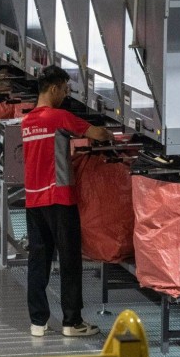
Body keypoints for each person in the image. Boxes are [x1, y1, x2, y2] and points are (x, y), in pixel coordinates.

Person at [22, 65, 112, 337]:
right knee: (70, 260)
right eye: (64, 89)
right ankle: (72, 322)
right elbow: (95, 134)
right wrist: (110, 133)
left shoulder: (27, 123)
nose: (65, 94)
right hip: (60, 199)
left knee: (39, 261)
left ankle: (38, 322)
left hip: (33, 201)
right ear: (53, 88)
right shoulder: (58, 117)